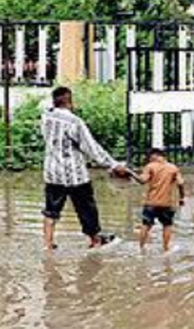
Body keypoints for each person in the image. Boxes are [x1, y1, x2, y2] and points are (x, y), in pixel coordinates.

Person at [42, 86, 130, 252]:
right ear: (69, 101)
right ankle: (95, 241)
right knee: (86, 208)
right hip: (75, 175)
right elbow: (91, 148)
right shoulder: (75, 122)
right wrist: (113, 164)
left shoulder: (46, 116)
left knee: (50, 211)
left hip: (52, 173)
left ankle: (47, 245)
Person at [137, 149, 186, 253]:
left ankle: (141, 248)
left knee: (146, 225)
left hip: (151, 202)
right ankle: (166, 248)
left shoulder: (150, 166)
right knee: (167, 225)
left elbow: (142, 180)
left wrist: (129, 172)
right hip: (167, 203)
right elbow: (181, 183)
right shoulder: (173, 168)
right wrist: (182, 198)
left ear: (153, 156)